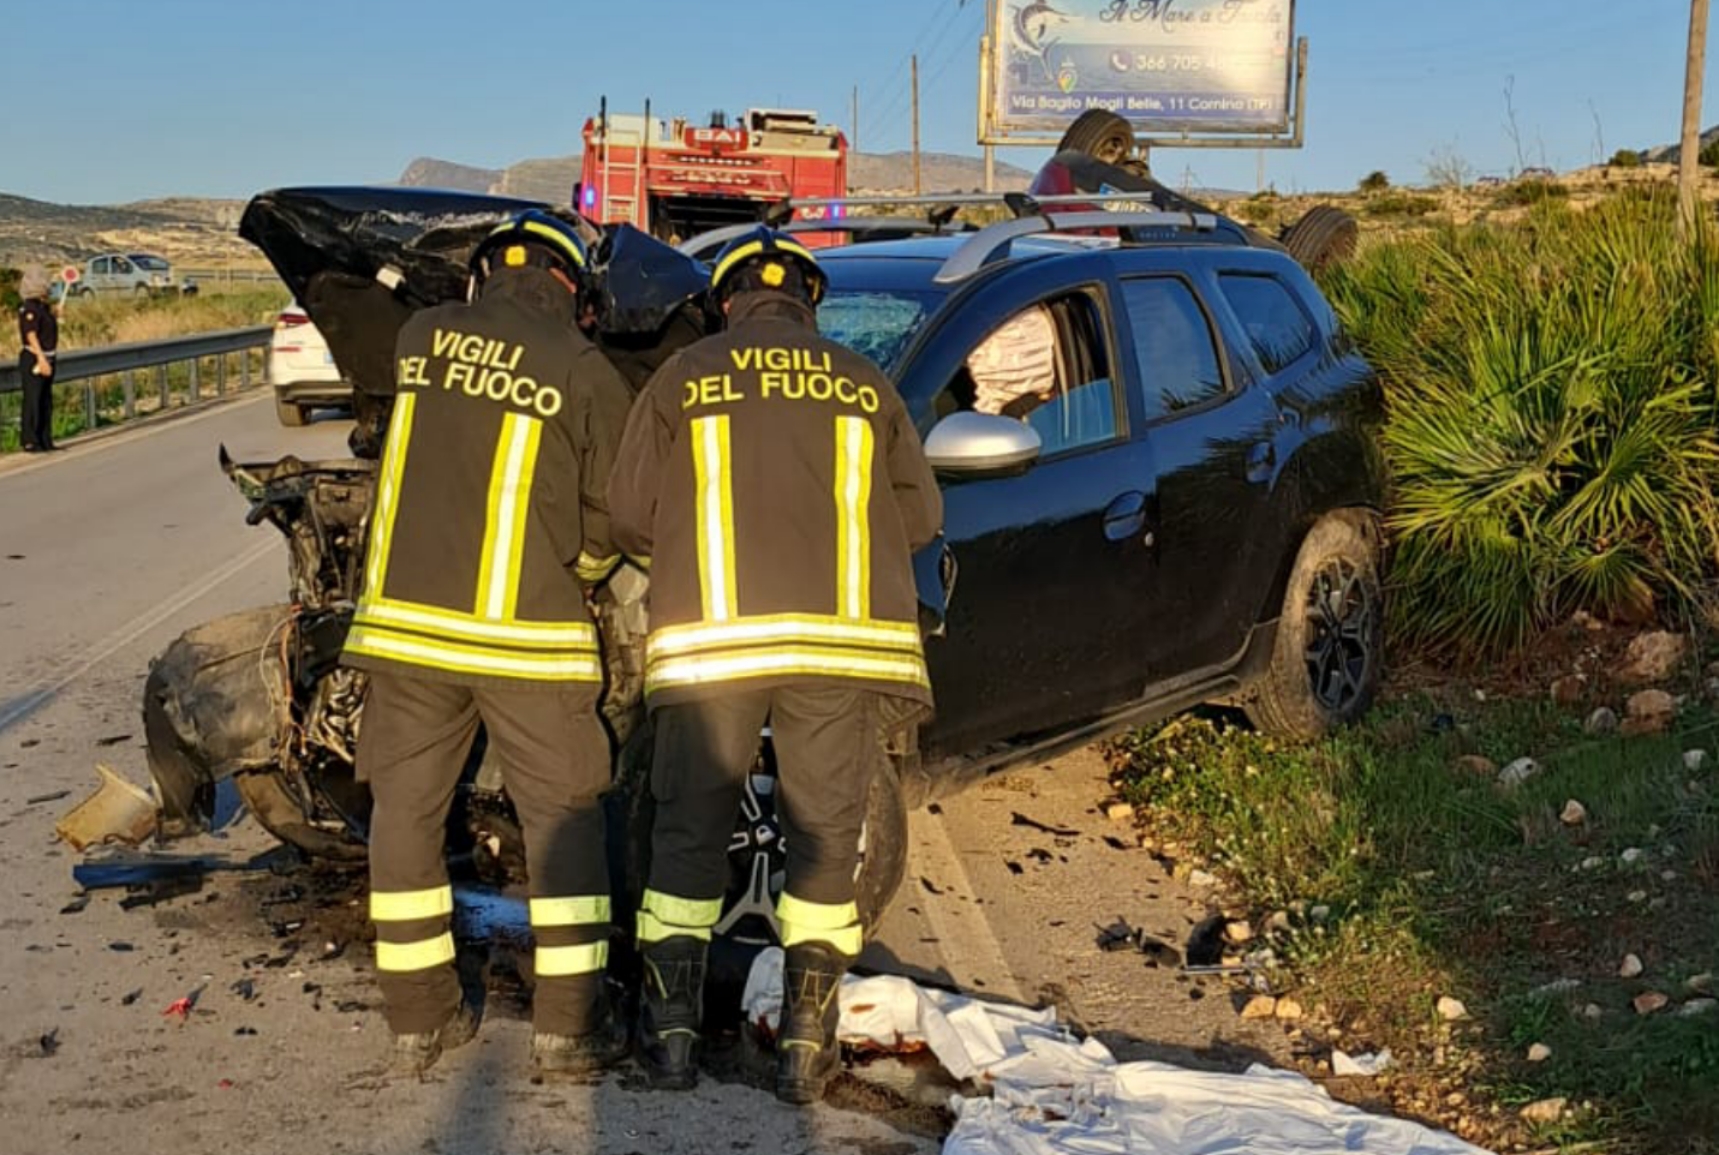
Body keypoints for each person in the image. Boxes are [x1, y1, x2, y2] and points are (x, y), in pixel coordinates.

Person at [608, 227, 942, 1102]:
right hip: (835, 649)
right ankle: (804, 1049)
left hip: (710, 648)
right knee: (825, 839)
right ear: (809, 302)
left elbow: (627, 514)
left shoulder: (685, 378)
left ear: (725, 303)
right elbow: (920, 515)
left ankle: (670, 1041)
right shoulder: (865, 385)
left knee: (685, 836)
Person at [341, 210, 635, 1076]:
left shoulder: (421, 339)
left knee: (407, 813)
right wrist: (581, 566)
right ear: (572, 290)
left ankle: (419, 1018)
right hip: (527, 644)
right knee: (564, 821)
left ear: (482, 279)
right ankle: (567, 1026)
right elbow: (611, 510)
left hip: (406, 633)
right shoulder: (583, 367)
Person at [15, 267, 59, 452]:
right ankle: (30, 440)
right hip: (34, 357)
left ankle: (45, 438)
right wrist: (41, 359)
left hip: (48, 356)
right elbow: (31, 335)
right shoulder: (29, 308)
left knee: (45, 400)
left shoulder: (43, 308)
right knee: (33, 399)